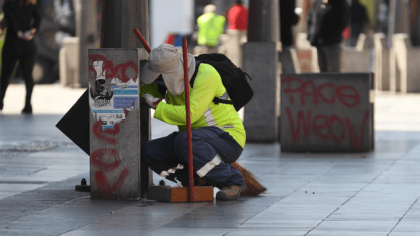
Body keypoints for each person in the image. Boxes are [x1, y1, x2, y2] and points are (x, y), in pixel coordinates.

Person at [140, 44, 246, 201]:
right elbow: (142, 89)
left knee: (185, 139)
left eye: (160, 75)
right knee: (151, 151)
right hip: (192, 141)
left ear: (171, 73)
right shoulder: (169, 83)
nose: (158, 80)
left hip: (227, 137)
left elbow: (189, 115)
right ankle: (197, 180)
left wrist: (157, 105)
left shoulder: (206, 74)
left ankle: (233, 181)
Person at [0, 0, 41, 114]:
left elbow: (10, 20)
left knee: (6, 75)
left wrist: (18, 32)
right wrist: (32, 30)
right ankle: (28, 105)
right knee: (28, 75)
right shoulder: (29, 5)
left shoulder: (8, 4)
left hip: (13, 43)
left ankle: (1, 101)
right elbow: (38, 19)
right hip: (28, 43)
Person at [307, 0, 350, 72]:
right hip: (318, 42)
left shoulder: (340, 2)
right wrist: (310, 35)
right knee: (321, 71)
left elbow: (345, 20)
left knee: (334, 70)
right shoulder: (317, 3)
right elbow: (310, 18)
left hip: (332, 43)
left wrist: (333, 33)